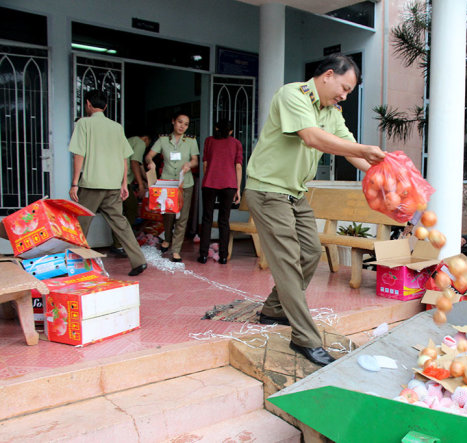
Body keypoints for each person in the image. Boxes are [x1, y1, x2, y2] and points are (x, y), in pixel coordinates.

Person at [245, 53, 385, 366]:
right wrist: (363, 150)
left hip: (294, 193)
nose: (345, 96)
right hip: (268, 191)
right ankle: (305, 338)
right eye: (344, 87)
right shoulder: (292, 95)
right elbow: (312, 137)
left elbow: (350, 150)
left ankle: (272, 310)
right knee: (287, 263)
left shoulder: (331, 112)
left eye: (349, 92)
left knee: (310, 252)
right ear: (328, 75)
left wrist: (382, 178)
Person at [68, 89, 147, 276]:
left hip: (91, 184)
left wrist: (74, 183)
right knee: (121, 223)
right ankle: (138, 260)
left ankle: (75, 266)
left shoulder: (83, 124)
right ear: (105, 106)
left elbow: (79, 154)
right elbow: (125, 157)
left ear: (87, 104)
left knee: (81, 223)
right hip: (113, 185)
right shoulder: (116, 127)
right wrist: (123, 184)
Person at [144, 112, 199, 262]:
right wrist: (151, 162)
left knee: (182, 216)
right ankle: (167, 238)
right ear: (173, 121)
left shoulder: (191, 141)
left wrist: (190, 164)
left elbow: (195, 160)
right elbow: (149, 155)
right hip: (168, 184)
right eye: (180, 122)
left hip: (185, 183)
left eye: (186, 124)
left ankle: (176, 250)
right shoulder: (162, 140)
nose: (182, 126)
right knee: (168, 213)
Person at [197, 120, 243, 264]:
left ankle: (203, 255)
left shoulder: (208, 141)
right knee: (224, 220)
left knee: (207, 219)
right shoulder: (236, 143)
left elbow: (205, 164)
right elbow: (238, 167)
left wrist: (209, 177)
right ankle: (223, 256)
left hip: (210, 183)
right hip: (229, 184)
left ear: (216, 128)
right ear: (231, 131)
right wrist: (238, 188)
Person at [109, 133, 151, 256]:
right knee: (131, 209)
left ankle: (118, 242)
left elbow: (140, 166)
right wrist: (141, 185)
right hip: (121, 182)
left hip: (116, 180)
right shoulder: (140, 142)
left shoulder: (131, 141)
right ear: (146, 138)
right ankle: (119, 243)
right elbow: (134, 163)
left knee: (118, 212)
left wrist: (145, 180)